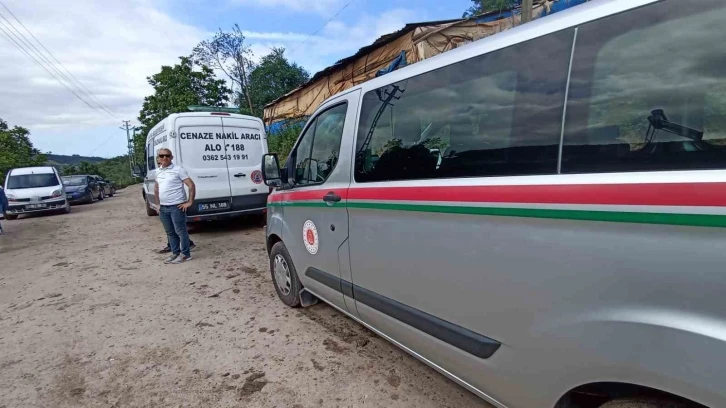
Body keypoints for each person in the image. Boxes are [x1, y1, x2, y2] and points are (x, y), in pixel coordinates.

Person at [155, 148, 196, 264]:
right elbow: (156, 188)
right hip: (163, 208)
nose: (164, 158)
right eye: (162, 156)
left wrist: (189, 202)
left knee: (181, 231)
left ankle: (186, 255)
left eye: (167, 156)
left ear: (171, 157)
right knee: (170, 233)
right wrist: (157, 204)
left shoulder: (178, 170)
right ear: (158, 158)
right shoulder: (158, 171)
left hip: (176, 207)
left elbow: (191, 185)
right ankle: (175, 253)